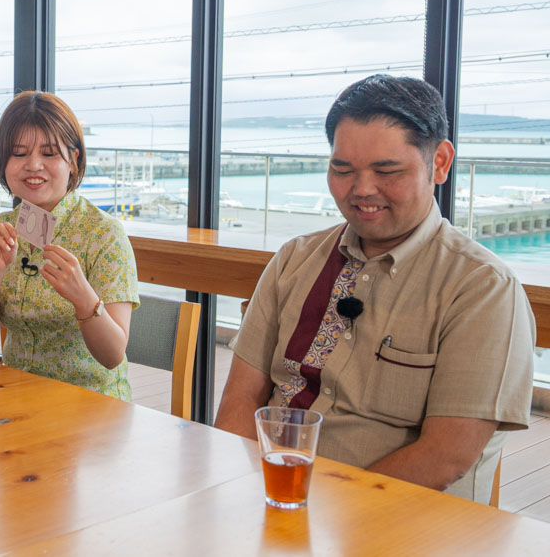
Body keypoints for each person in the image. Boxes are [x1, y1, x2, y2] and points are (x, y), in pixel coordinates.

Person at [215, 74, 535, 503]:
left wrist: (318, 511)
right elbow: (241, 399)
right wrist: (233, 495)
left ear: (439, 162)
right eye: (342, 170)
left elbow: (447, 456)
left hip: (402, 523)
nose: (362, 190)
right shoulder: (296, 259)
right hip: (272, 500)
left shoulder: (482, 289)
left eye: (388, 171)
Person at [0, 91, 139, 399]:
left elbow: (112, 355)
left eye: (49, 153)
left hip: (91, 407)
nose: (33, 165)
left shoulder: (103, 235)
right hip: (15, 399)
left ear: (74, 159)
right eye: (18, 153)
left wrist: (85, 299)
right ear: (3, 162)